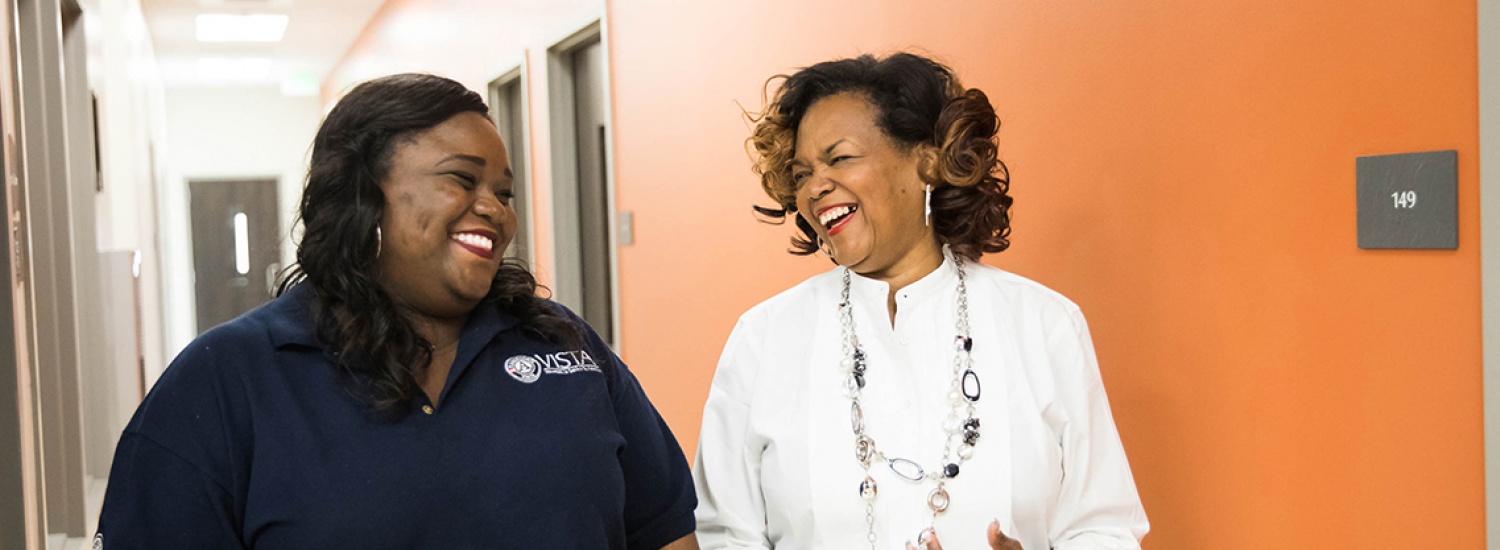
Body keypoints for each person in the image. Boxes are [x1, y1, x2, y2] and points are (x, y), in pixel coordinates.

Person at [96, 73, 699, 550]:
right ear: (362, 198)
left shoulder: (566, 348)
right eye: (462, 179)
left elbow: (662, 529)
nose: (494, 209)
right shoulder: (229, 378)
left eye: (505, 192)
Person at [692, 53, 1148, 550]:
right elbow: (721, 536)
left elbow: (1104, 528)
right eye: (802, 174)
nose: (816, 187)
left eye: (839, 157)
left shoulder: (1043, 323)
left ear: (927, 160)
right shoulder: (764, 339)